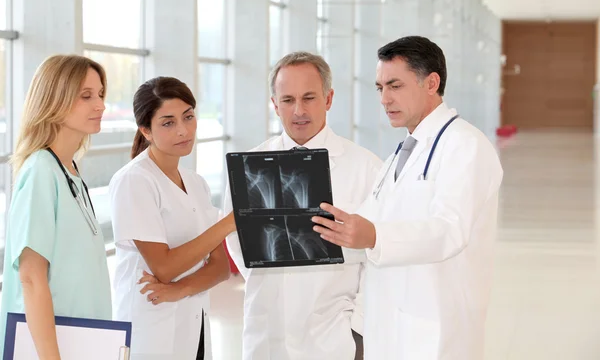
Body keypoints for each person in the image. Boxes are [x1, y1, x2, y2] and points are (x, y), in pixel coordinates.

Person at [312, 36, 504, 360]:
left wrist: (373, 235)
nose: (385, 99)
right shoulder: (401, 153)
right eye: (379, 88)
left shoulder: (465, 145)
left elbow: (449, 230)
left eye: (395, 85)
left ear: (431, 82)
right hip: (390, 324)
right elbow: (370, 218)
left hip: (437, 329)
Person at [224, 51, 382, 360]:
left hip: (334, 335)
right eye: (287, 100)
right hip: (266, 332)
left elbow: (378, 252)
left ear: (329, 98)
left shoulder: (366, 168)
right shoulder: (249, 165)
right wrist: (270, 283)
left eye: (309, 98)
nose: (298, 111)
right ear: (274, 104)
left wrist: (357, 325)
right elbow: (235, 237)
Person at [108, 77, 235, 360]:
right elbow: (163, 267)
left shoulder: (196, 183)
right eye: (168, 122)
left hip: (195, 326)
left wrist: (178, 290)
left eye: (188, 117)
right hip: (151, 330)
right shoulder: (134, 181)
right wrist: (227, 224)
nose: (183, 130)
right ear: (146, 130)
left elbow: (220, 268)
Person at [0, 55, 112, 358]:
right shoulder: (40, 172)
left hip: (83, 339)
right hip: (51, 347)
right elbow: (31, 278)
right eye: (86, 96)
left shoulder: (69, 171)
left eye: (100, 94)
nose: (100, 105)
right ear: (54, 100)